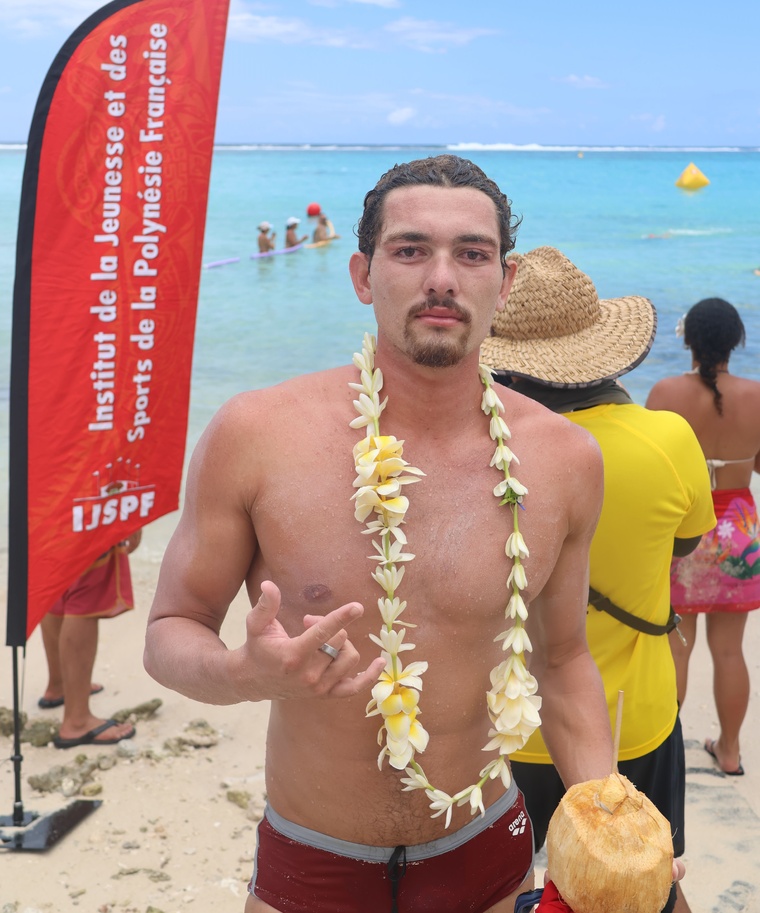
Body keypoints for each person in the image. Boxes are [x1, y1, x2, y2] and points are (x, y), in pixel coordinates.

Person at [143, 154, 625, 913]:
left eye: (472, 253)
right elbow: (172, 627)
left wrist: (611, 823)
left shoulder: (565, 459)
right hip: (314, 861)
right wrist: (242, 673)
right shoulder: (257, 435)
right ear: (363, 275)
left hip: (487, 853)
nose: (442, 278)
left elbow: (563, 660)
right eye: (410, 250)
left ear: (505, 281)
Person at [480, 247, 715, 913]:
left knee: (505, 888)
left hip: (507, 718)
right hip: (629, 715)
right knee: (649, 882)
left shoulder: (480, 452)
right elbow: (685, 545)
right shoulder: (666, 439)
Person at [647, 298, 760, 777]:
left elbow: (650, 467)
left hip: (684, 531)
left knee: (678, 647)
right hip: (739, 532)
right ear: (737, 341)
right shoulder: (757, 395)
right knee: (730, 651)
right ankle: (729, 752)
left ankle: (668, 753)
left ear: (687, 339)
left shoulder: (664, 392)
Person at [39, 531, 142, 748]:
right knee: (87, 584)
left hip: (43, 511)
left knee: (57, 572)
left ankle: (59, 685)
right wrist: (130, 522)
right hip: (85, 512)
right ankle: (77, 721)